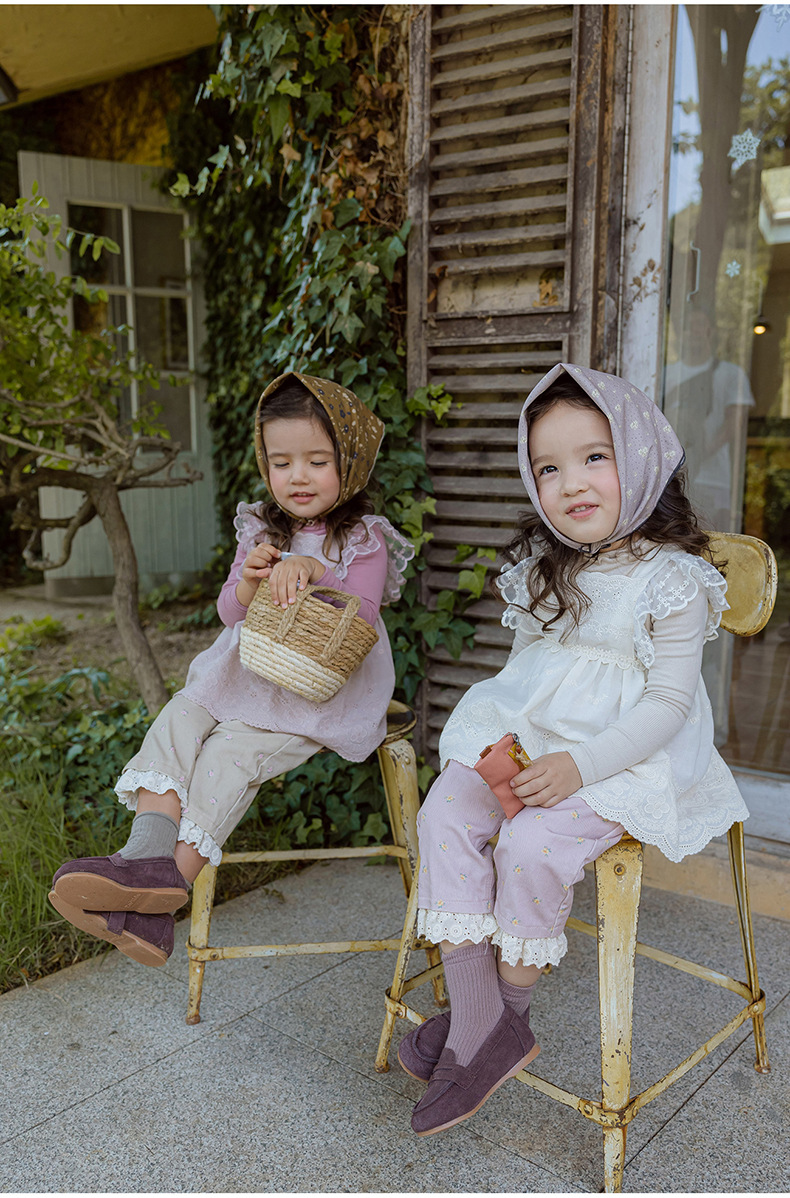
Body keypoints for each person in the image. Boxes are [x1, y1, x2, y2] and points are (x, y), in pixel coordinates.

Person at [399, 362, 749, 1138]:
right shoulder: (546, 569)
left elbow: (668, 706)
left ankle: (499, 1018)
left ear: (643, 459)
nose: (572, 483)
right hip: (541, 744)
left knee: (529, 844)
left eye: (596, 456)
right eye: (549, 468)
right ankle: (481, 1018)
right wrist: (514, 752)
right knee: (445, 811)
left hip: (626, 757)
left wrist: (580, 766)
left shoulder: (673, 579)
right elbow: (527, 675)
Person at [49, 372, 414, 966]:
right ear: (265, 463)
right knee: (177, 719)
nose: (298, 477)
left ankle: (156, 907)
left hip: (316, 691)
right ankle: (145, 857)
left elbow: (366, 613)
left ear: (349, 464)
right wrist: (248, 579)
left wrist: (314, 570)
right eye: (281, 462)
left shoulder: (363, 538)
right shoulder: (262, 530)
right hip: (245, 672)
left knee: (227, 758)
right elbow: (229, 611)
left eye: (317, 461)